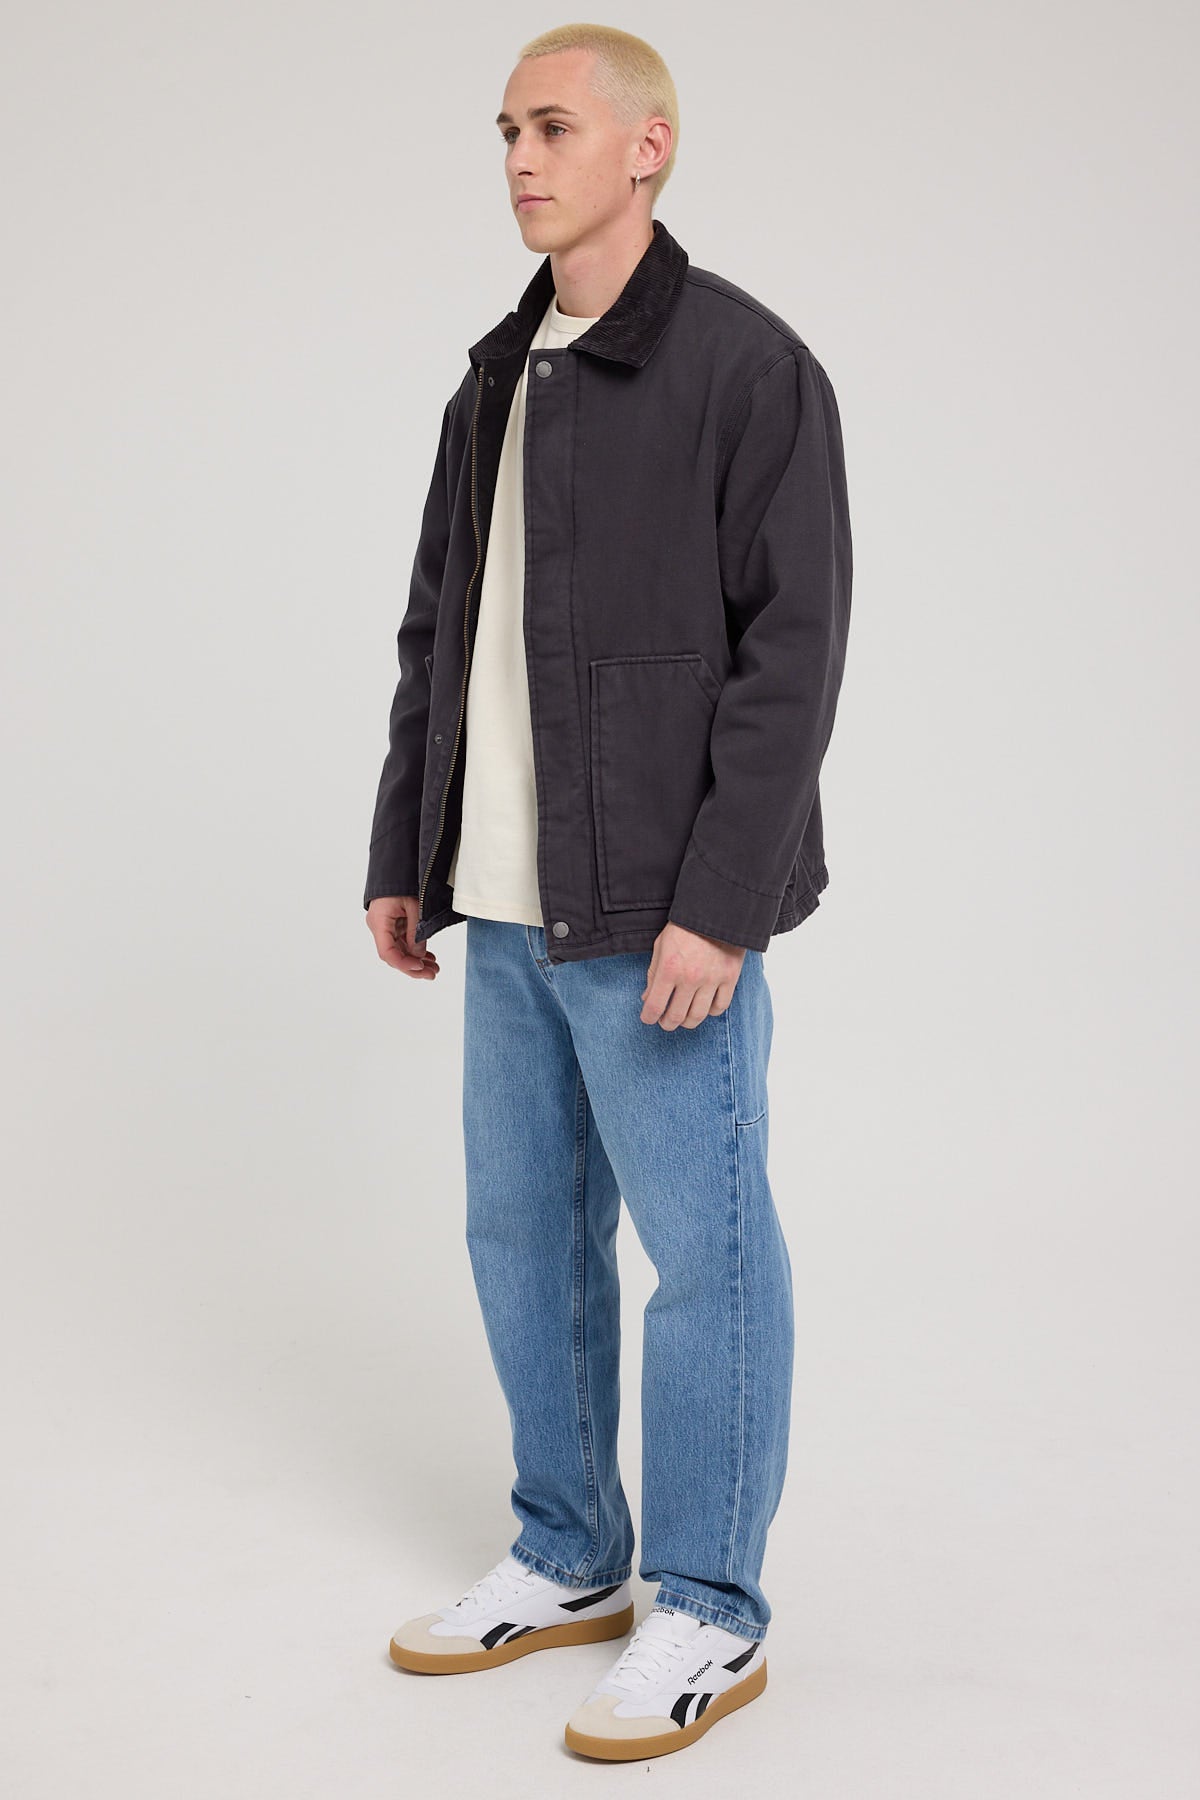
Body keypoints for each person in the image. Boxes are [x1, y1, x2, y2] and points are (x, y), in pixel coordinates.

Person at [363, 22, 853, 1763]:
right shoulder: (492, 380)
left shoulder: (747, 367)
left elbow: (793, 657)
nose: (519, 157)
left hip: (660, 916)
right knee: (522, 1237)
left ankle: (709, 1607)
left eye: (554, 127)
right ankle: (571, 1550)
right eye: (506, 128)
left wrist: (723, 902)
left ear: (647, 148)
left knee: (705, 1256)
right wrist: (407, 852)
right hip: (505, 908)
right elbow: (440, 635)